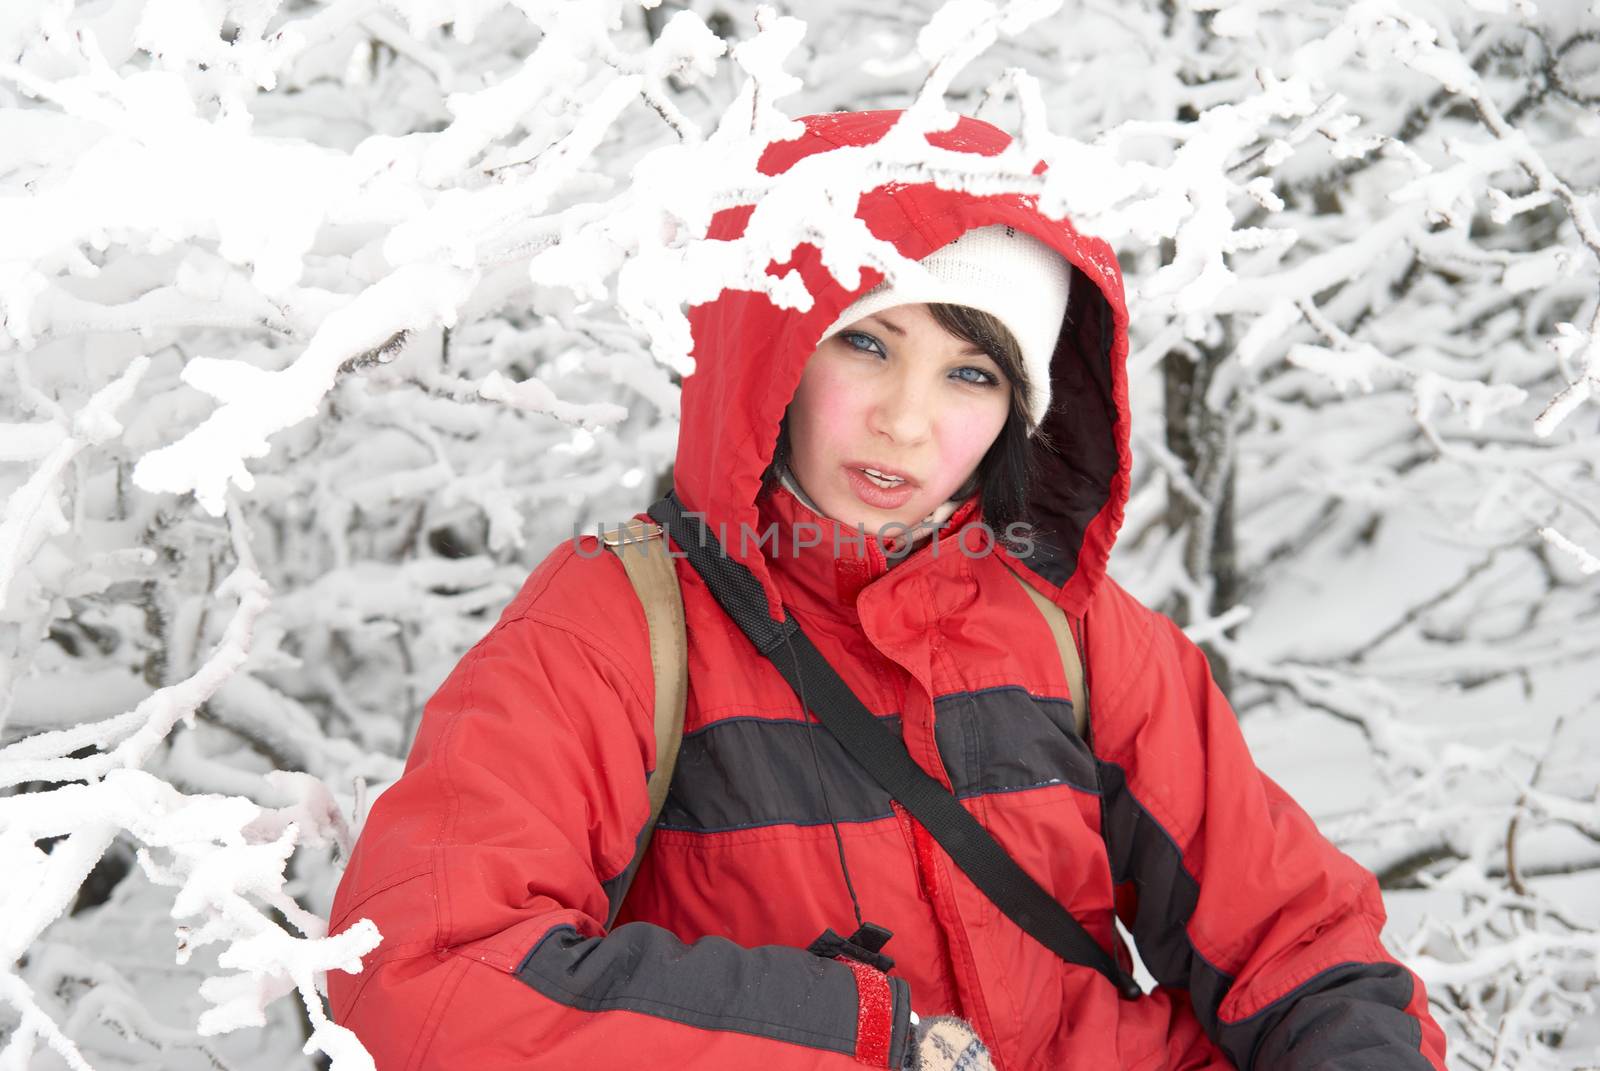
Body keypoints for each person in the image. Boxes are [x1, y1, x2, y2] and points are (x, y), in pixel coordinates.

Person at [326, 109, 1448, 1071]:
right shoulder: (616, 625)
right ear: (775, 350)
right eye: (866, 343)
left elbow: (1298, 944)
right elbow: (425, 974)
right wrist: (867, 1039)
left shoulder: (1079, 638)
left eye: (970, 373)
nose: (907, 422)